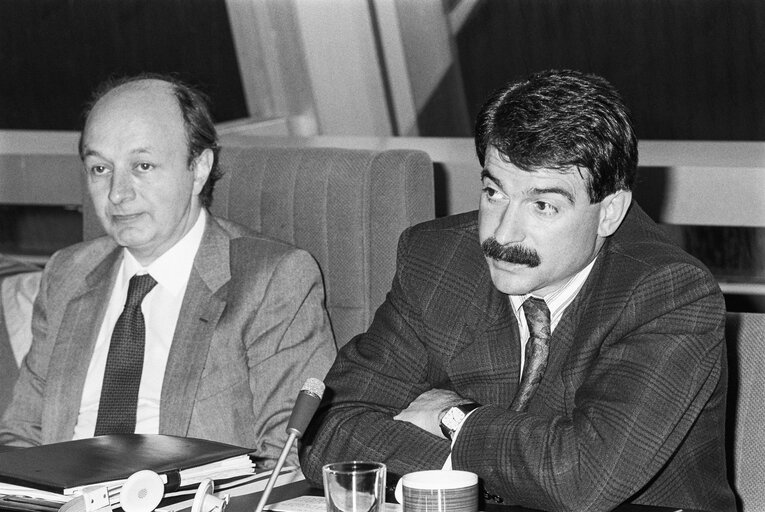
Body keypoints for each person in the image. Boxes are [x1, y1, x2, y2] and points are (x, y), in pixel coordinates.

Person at [300, 69, 735, 511]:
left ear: (609, 212)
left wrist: (457, 420)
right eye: (494, 192)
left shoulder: (668, 293)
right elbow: (327, 432)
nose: (504, 234)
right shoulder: (438, 259)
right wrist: (485, 473)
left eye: (543, 205)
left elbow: (581, 480)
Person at [0, 74, 337, 467]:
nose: (117, 194)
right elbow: (20, 437)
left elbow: (286, 458)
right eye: (99, 169)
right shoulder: (68, 273)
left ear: (198, 169)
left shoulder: (271, 280)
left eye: (142, 165)